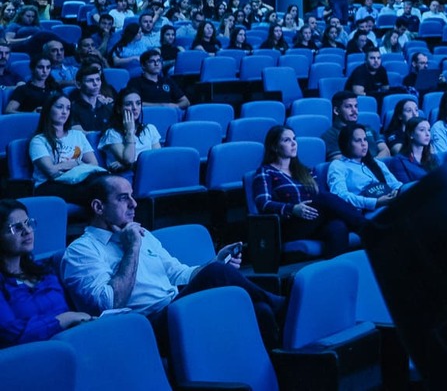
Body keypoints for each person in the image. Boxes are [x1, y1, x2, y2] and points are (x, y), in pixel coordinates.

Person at [63, 175, 283, 347]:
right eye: (123, 198)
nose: (134, 204)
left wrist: (215, 261)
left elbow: (178, 273)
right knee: (217, 274)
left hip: (175, 306)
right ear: (98, 207)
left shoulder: (143, 234)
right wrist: (132, 248)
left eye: (132, 196)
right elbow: (109, 304)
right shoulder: (81, 251)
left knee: (260, 310)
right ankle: (283, 307)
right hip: (143, 327)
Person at [251, 126, 363, 258]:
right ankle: (364, 225)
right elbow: (263, 204)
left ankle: (332, 273)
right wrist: (292, 209)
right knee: (325, 198)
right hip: (289, 224)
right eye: (287, 140)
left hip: (314, 220)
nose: (293, 143)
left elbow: (319, 199)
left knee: (338, 227)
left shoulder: (306, 170)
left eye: (294, 139)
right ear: (275, 147)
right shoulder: (266, 171)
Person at [0, 198, 93, 346]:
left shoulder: (44, 270)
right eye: (16, 228)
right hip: (30, 358)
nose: (27, 231)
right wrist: (64, 319)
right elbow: (10, 334)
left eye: (28, 223)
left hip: (70, 344)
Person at [29, 92, 106, 202]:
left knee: (105, 184)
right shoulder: (38, 140)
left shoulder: (77, 135)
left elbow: (94, 164)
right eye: (60, 107)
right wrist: (77, 163)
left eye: (68, 108)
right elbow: (51, 172)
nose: (65, 112)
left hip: (78, 179)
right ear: (48, 109)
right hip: (48, 185)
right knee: (98, 192)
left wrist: (62, 166)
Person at [327, 124, 402, 212]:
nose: (364, 144)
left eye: (365, 139)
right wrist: (375, 202)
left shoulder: (375, 162)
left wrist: (397, 191)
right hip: (363, 211)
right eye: (358, 140)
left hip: (388, 204)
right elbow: (340, 195)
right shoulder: (338, 165)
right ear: (347, 144)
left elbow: (395, 184)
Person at [99, 88, 162, 176]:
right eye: (128, 104)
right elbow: (129, 160)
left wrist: (130, 166)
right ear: (119, 109)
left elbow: (157, 158)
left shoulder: (150, 129)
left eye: (138, 103)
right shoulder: (112, 133)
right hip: (124, 178)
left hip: (150, 173)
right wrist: (130, 131)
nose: (135, 108)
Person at [323, 92, 390, 160]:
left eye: (356, 106)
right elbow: (340, 160)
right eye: (348, 106)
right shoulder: (330, 135)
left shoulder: (367, 128)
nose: (355, 110)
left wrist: (373, 164)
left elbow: (386, 151)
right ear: (336, 110)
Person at [386, 117, 438, 184]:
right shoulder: (398, 161)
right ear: (411, 134)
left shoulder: (433, 157)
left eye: (428, 130)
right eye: (422, 130)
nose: (427, 134)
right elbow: (405, 188)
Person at [69, 62, 114, 133]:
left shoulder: (108, 107)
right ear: (78, 85)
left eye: (98, 80)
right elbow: (78, 134)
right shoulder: (72, 109)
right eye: (90, 80)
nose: (96, 84)